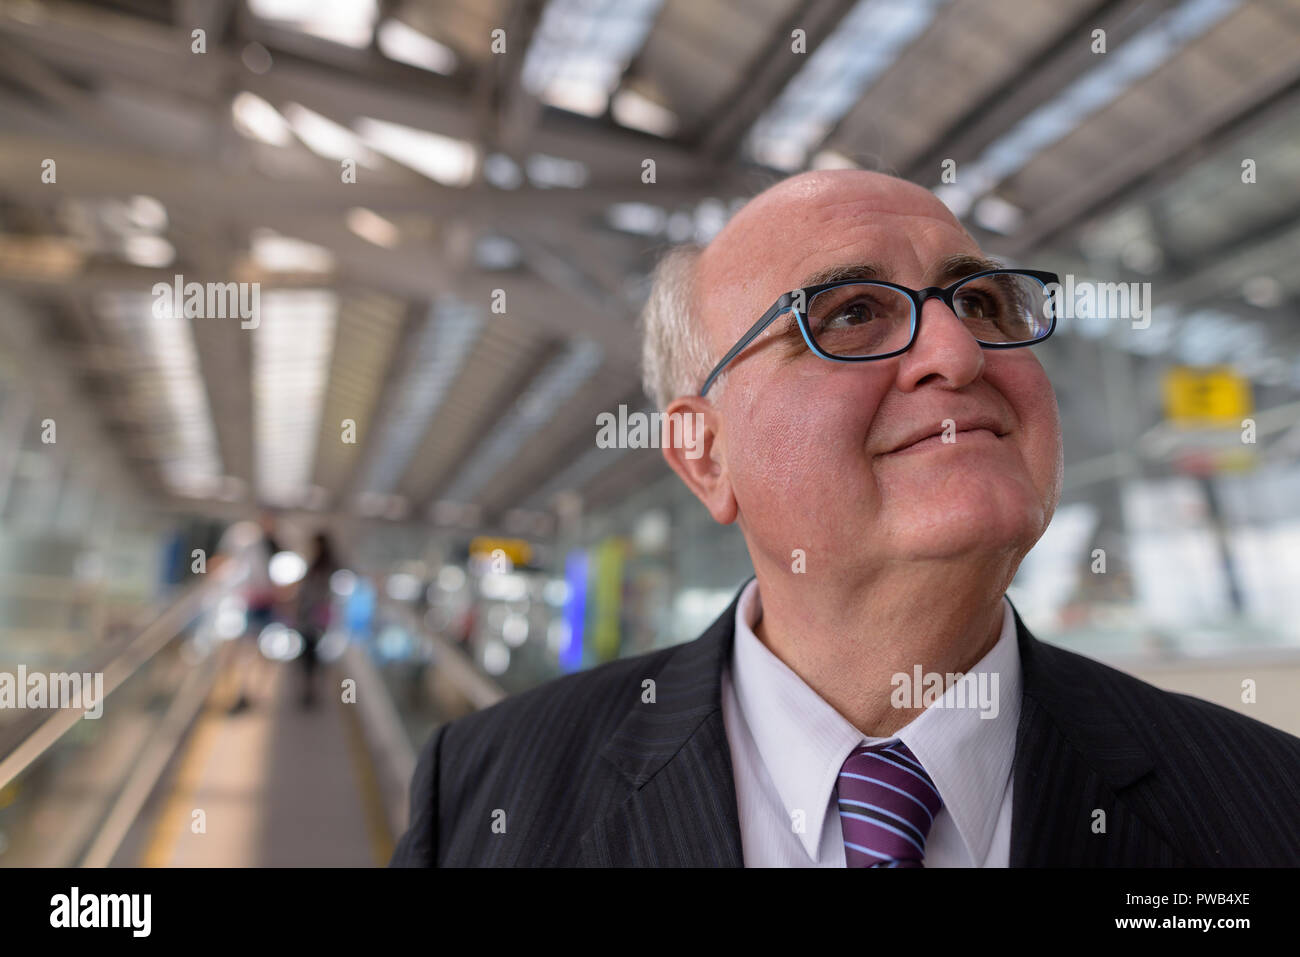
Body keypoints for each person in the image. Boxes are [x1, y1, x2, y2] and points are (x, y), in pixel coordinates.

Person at [390, 170, 1300, 867]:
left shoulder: (1263, 805)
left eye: (981, 302)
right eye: (851, 313)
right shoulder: (485, 796)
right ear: (705, 455)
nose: (956, 351)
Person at [294, 532, 338, 709]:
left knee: (310, 655)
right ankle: (312, 690)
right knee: (312, 655)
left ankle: (311, 691)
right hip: (317, 617)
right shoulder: (325, 565)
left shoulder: (322, 567)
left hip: (313, 617)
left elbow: (315, 592)